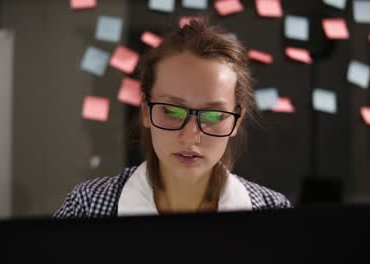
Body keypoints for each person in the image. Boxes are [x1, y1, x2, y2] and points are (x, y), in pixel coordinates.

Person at [54, 18, 291, 218]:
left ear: (236, 121)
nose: (190, 137)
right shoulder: (87, 207)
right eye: (172, 111)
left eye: (213, 115)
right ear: (146, 111)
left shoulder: (274, 212)